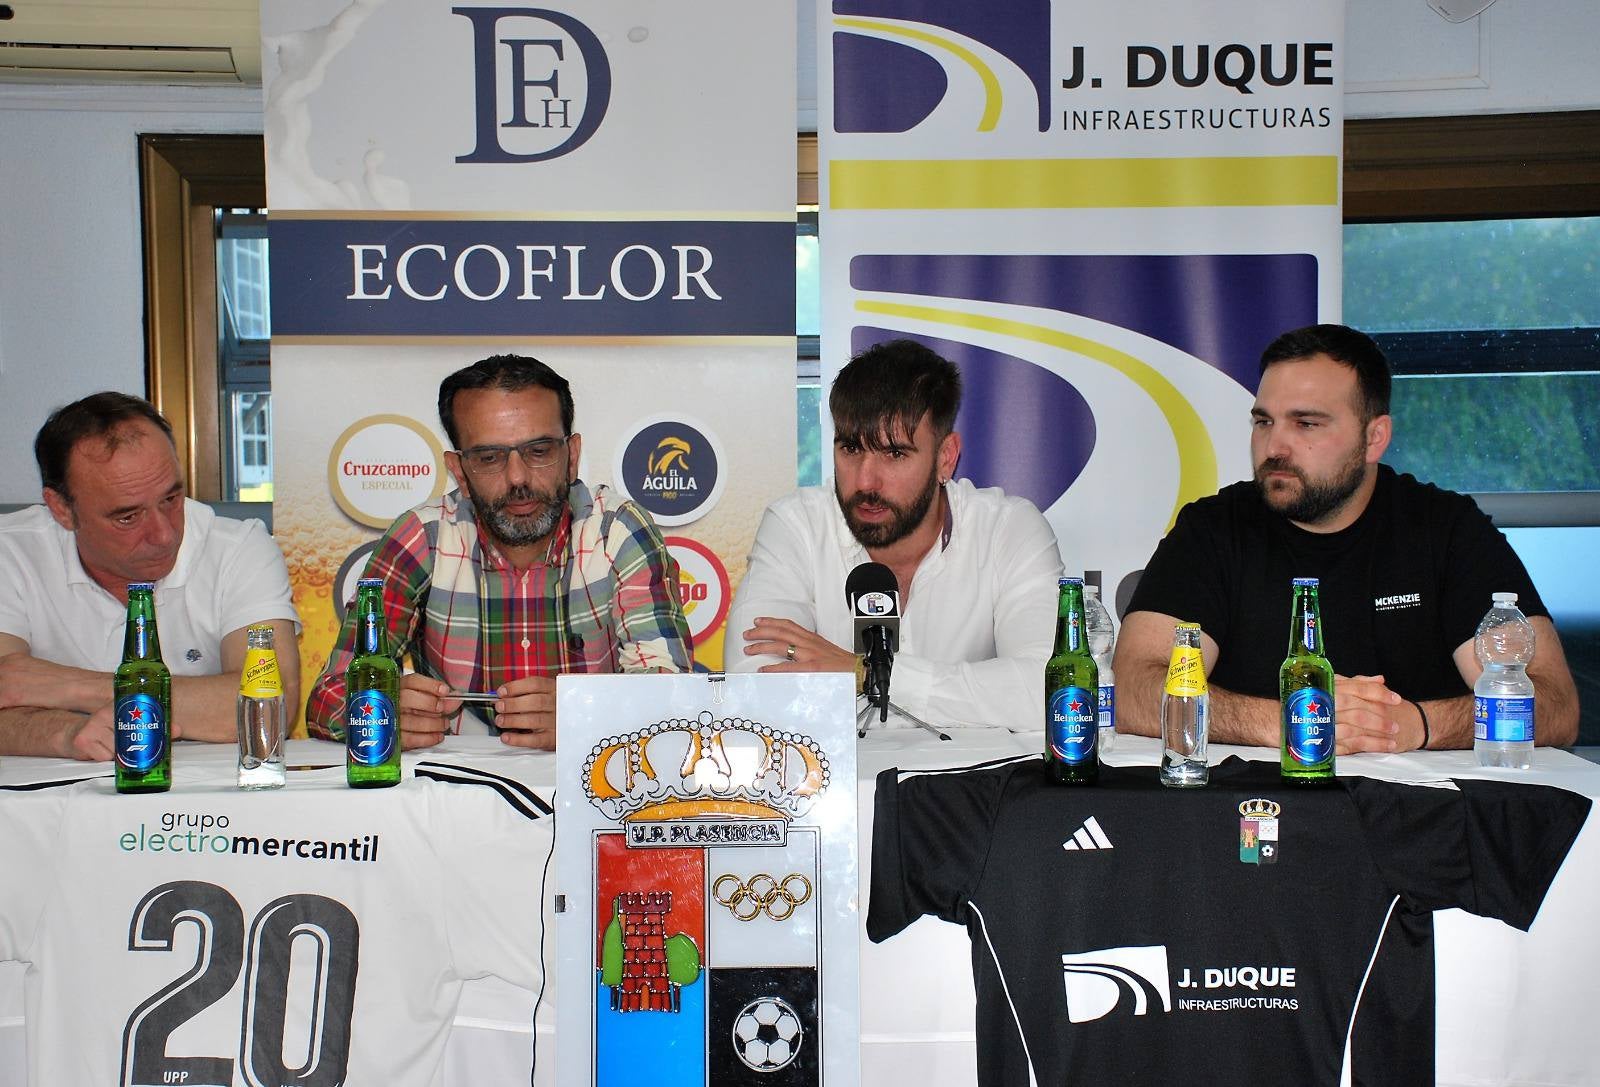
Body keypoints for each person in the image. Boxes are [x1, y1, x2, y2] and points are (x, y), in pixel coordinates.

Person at [1114, 323, 1579, 753]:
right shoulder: (1213, 529)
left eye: (1306, 424)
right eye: (1264, 422)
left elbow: (1554, 705)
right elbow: (1135, 689)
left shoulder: (1446, 529)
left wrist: (1416, 725)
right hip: (1254, 807)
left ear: (1375, 438)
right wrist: (1291, 722)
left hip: (1422, 812)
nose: (1274, 447)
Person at [305, 354, 692, 751]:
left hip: (595, 788)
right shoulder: (422, 538)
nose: (518, 478)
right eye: (489, 458)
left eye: (539, 451)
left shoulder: (617, 531)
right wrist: (374, 711)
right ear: (460, 473)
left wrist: (587, 714)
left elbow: (673, 692)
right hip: (451, 795)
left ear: (571, 456)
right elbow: (328, 698)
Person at [723, 338, 1063, 731]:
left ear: (945, 458)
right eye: (850, 449)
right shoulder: (795, 527)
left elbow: (1056, 693)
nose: (866, 481)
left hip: (971, 790)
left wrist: (867, 676)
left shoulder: (1008, 530)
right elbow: (755, 688)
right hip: (836, 789)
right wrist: (969, 701)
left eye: (895, 454)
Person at [0, 392, 301, 761]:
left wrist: (74, 687)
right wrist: (67, 734)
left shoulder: (237, 548)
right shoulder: (10, 552)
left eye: (171, 499)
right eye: (128, 517)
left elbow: (271, 704)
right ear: (61, 509)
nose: (164, 534)